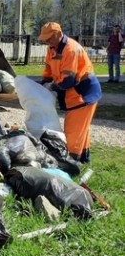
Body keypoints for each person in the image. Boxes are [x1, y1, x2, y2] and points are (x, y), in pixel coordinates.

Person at [38, 22, 102, 163]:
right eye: (45, 39)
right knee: (81, 129)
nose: (47, 41)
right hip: (76, 94)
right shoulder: (52, 49)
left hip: (83, 94)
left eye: (49, 38)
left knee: (72, 131)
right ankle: (83, 159)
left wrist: (52, 87)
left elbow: (68, 81)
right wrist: (43, 83)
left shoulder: (71, 49)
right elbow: (48, 69)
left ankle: (71, 163)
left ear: (59, 34)